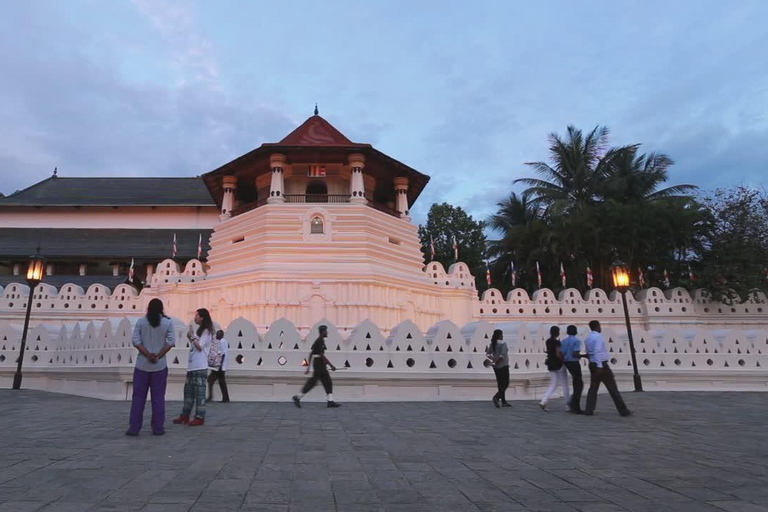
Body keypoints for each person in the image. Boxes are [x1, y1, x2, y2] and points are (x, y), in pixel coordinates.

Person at [126, 298, 176, 436]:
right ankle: (158, 428)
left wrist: (147, 354)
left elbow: (135, 341)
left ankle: (134, 428)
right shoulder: (167, 323)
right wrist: (158, 355)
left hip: (142, 365)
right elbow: (171, 342)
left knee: (138, 398)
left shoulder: (141, 322)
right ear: (161, 308)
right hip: (159, 366)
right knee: (158, 398)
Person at [173, 308, 214, 426]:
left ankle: (200, 417)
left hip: (200, 366)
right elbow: (195, 344)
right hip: (192, 366)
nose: (195, 317)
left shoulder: (207, 331)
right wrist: (191, 336)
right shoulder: (200, 331)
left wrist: (192, 336)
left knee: (199, 393)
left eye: (197, 315)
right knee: (188, 392)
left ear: (202, 317)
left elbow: (200, 346)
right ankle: (185, 415)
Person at [584, 320, 632, 417]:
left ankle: (589, 410)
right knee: (612, 388)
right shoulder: (597, 337)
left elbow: (589, 352)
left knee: (593, 388)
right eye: (599, 326)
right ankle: (623, 410)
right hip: (601, 365)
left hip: (592, 364)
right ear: (597, 326)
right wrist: (600, 366)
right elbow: (597, 351)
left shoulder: (588, 338)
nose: (600, 328)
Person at [292, 325, 340, 408]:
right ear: (323, 332)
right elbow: (321, 355)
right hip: (319, 364)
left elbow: (311, 354)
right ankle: (297, 397)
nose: (327, 332)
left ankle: (330, 401)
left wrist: (308, 367)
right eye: (326, 331)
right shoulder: (320, 341)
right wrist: (331, 365)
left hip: (318, 363)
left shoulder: (318, 341)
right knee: (318, 382)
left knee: (325, 381)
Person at [540, 325, 570, 412]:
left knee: (553, 384)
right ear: (557, 333)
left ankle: (544, 401)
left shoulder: (548, 341)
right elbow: (558, 354)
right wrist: (563, 359)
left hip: (551, 364)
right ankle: (568, 405)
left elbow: (550, 352)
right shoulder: (557, 342)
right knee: (565, 385)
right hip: (559, 364)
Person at [560, 325, 584, 414]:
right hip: (574, 362)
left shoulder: (564, 341)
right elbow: (575, 354)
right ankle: (575, 405)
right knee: (579, 384)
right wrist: (584, 356)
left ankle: (573, 404)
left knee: (576, 383)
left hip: (566, 362)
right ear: (576, 332)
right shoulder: (576, 341)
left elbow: (561, 353)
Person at [486, 329, 510, 408]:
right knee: (506, 383)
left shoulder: (493, 343)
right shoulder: (503, 343)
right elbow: (502, 355)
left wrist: (493, 360)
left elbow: (488, 354)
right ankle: (496, 397)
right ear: (500, 335)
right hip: (503, 365)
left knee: (500, 384)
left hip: (496, 367)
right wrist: (497, 361)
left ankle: (503, 401)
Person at [207, 330, 230, 403]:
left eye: (217, 335)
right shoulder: (224, 341)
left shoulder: (221, 342)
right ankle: (225, 398)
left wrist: (220, 365)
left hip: (219, 366)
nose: (216, 336)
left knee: (211, 380)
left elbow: (222, 354)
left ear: (221, 335)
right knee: (221, 381)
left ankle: (211, 397)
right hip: (220, 365)